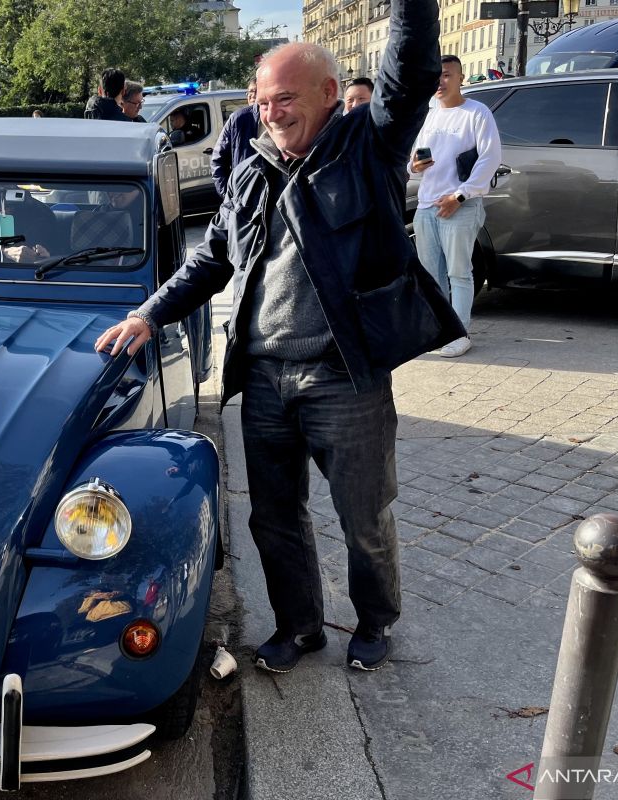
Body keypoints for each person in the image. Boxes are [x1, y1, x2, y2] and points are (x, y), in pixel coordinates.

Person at [94, 0, 462, 675]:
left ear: (328, 94)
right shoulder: (251, 166)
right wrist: (149, 313)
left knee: (363, 515)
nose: (271, 112)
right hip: (264, 378)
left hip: (343, 377)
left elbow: (409, 70)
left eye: (285, 98)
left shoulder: (368, 145)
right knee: (274, 518)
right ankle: (299, 627)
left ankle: (375, 620)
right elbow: (214, 259)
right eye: (263, 101)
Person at [409, 54, 502, 358]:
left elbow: (489, 159)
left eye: (447, 75)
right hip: (427, 205)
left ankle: (460, 333)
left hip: (460, 205)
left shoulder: (477, 113)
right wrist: (415, 165)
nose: (440, 81)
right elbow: (411, 163)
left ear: (461, 78)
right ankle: (438, 331)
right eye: (436, 76)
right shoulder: (429, 115)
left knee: (459, 272)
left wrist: (459, 196)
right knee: (431, 275)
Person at [210, 79, 260, 198]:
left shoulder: (280, 117)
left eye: (256, 91)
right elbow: (218, 161)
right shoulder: (238, 119)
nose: (252, 95)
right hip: (244, 198)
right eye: (249, 92)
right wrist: (229, 197)